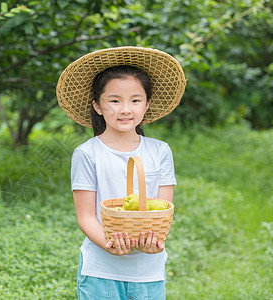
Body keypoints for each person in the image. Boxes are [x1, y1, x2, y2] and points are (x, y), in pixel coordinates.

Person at [56, 46, 186, 299]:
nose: (125, 109)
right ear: (97, 105)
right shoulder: (87, 153)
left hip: (148, 272)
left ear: (147, 104)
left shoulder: (160, 151)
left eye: (135, 100)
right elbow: (85, 216)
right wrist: (109, 244)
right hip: (101, 272)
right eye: (114, 100)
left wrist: (154, 241)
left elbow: (164, 209)